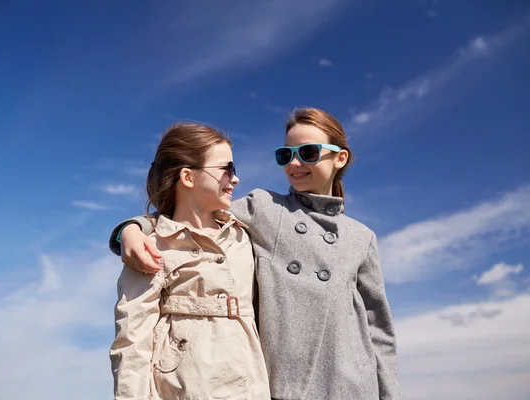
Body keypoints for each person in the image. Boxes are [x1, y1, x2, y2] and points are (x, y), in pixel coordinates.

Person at [111, 108, 401, 399]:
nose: (295, 163)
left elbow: (379, 330)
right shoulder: (264, 209)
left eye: (309, 152)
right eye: (286, 155)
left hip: (352, 384)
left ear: (340, 157)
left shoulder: (362, 238)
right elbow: (187, 214)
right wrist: (131, 228)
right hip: (285, 385)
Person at [109, 122, 270, 400]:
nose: (236, 179)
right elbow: (132, 340)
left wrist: (129, 227)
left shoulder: (246, 233)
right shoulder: (153, 245)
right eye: (227, 169)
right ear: (188, 176)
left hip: (252, 386)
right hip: (184, 389)